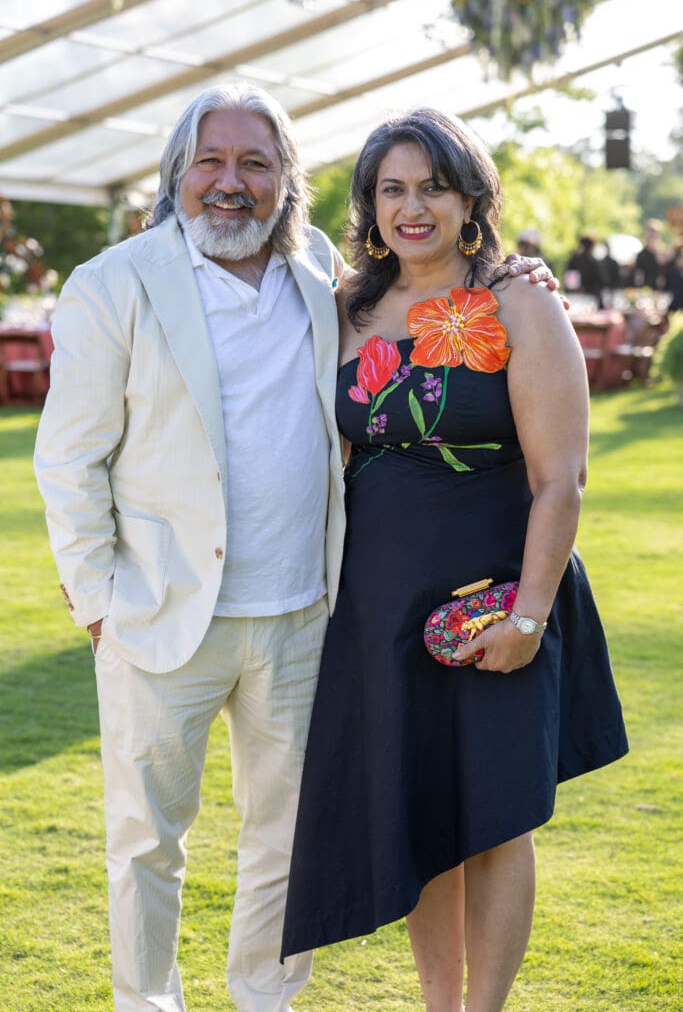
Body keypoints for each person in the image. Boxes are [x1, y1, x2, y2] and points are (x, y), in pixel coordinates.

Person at [33, 84, 557, 1012]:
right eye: (211, 162)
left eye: (256, 164)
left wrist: (520, 279)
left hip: (306, 613)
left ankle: (264, 1002)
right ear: (177, 175)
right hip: (161, 613)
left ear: (287, 182)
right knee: (146, 842)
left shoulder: (326, 279)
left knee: (284, 841)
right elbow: (68, 459)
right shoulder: (113, 283)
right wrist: (97, 599)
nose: (231, 185)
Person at [281, 108, 628, 1012]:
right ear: (368, 203)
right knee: (420, 815)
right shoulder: (342, 306)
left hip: (498, 593)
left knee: (493, 818)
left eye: (432, 185)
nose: (412, 206)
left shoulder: (519, 301)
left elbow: (562, 478)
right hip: (382, 603)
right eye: (391, 188)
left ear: (470, 194)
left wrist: (527, 618)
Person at [566, 234, 606, 308]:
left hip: (576, 298)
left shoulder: (574, 260)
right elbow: (602, 281)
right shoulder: (594, 262)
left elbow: (569, 283)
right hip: (590, 299)